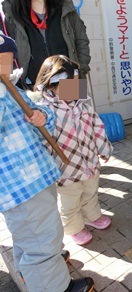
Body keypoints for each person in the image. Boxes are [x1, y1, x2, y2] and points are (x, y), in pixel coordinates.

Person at [0, 33, 94, 291]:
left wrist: (41, 117)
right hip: (21, 185)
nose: (5, 68)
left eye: (7, 60)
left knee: (34, 236)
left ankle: (36, 270)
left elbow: (42, 116)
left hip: (38, 174)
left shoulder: (13, 88)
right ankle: (55, 285)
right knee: (41, 238)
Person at [34, 55, 113, 246]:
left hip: (89, 162)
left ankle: (92, 216)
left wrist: (104, 149)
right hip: (66, 169)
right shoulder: (45, 111)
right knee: (70, 201)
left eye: (76, 83)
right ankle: (74, 228)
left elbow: (97, 127)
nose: (73, 88)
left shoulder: (84, 104)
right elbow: (43, 142)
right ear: (50, 85)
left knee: (90, 192)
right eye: (66, 84)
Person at [0, 0, 90, 89]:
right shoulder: (11, 8)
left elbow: (81, 38)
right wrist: (14, 81)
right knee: (37, 104)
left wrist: (81, 68)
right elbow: (6, 50)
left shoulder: (63, 1)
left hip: (71, 78)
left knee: (76, 104)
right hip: (33, 86)